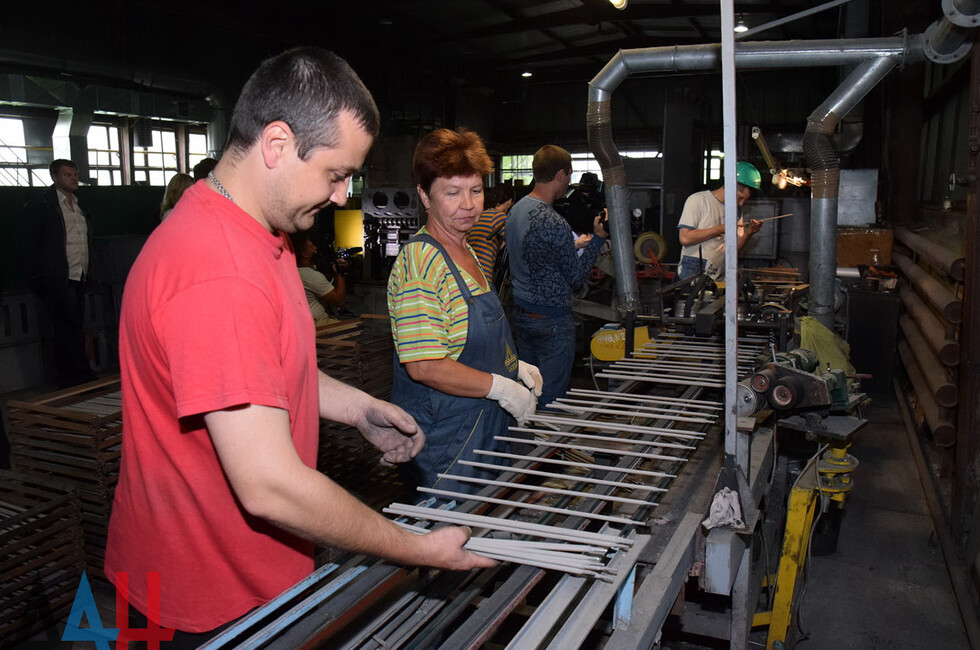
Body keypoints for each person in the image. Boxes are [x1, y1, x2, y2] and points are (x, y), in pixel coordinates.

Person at [104, 47, 494, 643]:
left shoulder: (265, 234)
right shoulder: (218, 269)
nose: (342, 197)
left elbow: (269, 371)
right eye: (336, 174)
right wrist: (416, 547)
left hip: (247, 575)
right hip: (200, 600)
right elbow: (269, 484)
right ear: (278, 144)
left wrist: (357, 408)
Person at [387, 128, 542, 495]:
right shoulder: (421, 263)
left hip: (482, 428)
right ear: (425, 196)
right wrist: (502, 388)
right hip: (446, 442)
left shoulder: (465, 250)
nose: (468, 204)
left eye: (475, 190)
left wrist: (511, 367)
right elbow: (425, 365)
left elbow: (459, 338)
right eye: (452, 193)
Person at [506, 145, 607, 410]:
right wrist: (597, 241)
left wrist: (570, 247)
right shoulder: (554, 222)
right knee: (551, 399)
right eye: (570, 176)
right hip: (551, 322)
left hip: (522, 316)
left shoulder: (516, 211)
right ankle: (547, 447)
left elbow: (533, 252)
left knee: (529, 391)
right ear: (561, 175)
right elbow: (575, 278)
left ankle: (525, 445)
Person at [20, 159, 95, 387]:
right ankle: (72, 375)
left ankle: (78, 373)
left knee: (75, 325)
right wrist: (38, 275)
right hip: (57, 276)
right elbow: (28, 243)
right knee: (65, 327)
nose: (73, 178)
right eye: (67, 175)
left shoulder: (80, 206)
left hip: (79, 273)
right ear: (55, 177)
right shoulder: (43, 206)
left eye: (74, 174)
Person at [677, 161, 763, 280]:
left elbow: (733, 250)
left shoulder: (736, 210)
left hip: (718, 276)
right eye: (740, 198)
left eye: (744, 200)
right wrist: (719, 229)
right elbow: (685, 238)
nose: (741, 204)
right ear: (731, 186)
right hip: (693, 276)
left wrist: (748, 233)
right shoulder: (698, 200)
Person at [292, 230, 346, 326]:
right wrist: (340, 273)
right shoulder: (310, 276)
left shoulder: (294, 271)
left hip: (302, 321)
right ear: (304, 254)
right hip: (316, 324)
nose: (315, 249)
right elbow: (339, 300)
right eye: (312, 247)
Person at [465, 184, 514, 281]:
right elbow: (515, 241)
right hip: (485, 272)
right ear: (509, 201)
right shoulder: (499, 217)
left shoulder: (480, 215)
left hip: (469, 271)